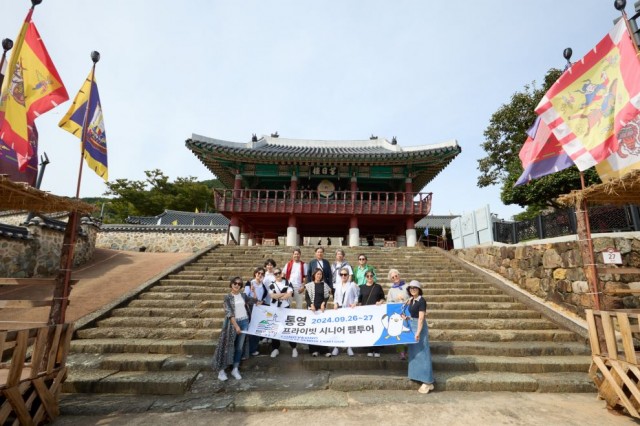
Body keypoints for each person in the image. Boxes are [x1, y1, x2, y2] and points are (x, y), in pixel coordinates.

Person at [213, 276, 260, 381]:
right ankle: (221, 370)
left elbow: (255, 301)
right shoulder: (227, 297)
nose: (237, 285)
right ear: (231, 284)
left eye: (239, 284)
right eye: (235, 283)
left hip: (244, 322)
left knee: (239, 347)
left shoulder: (243, 296)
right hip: (232, 324)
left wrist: (254, 292)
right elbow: (229, 312)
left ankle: (235, 368)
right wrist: (236, 326)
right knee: (227, 346)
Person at [401, 280, 435, 394]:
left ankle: (427, 381)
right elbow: (412, 315)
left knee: (423, 353)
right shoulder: (412, 300)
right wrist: (406, 318)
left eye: (415, 288)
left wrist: (418, 332)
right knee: (415, 353)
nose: (412, 290)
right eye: (411, 288)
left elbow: (421, 318)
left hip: (419, 329)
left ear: (419, 289)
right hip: (412, 326)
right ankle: (418, 376)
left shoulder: (422, 301)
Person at [268, 267, 299, 358]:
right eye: (275, 273)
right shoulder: (271, 284)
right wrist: (282, 294)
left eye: (279, 273)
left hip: (285, 307)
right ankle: (275, 349)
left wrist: (279, 296)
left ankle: (294, 348)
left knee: (288, 327)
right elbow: (272, 295)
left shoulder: (287, 282)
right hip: (274, 308)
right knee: (275, 327)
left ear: (282, 273)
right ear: (274, 275)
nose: (277, 275)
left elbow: (289, 294)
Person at [332, 267, 359, 357]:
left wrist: (355, 303)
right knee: (338, 328)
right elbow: (335, 297)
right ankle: (336, 346)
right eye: (341, 274)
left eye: (345, 274)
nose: (343, 276)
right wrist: (335, 303)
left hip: (348, 309)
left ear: (348, 275)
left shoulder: (352, 285)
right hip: (339, 309)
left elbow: (356, 296)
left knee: (348, 328)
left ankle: (349, 346)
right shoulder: (337, 285)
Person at [305, 267, 332, 357]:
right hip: (312, 310)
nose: (319, 276)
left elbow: (327, 296)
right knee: (313, 330)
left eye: (320, 274)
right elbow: (307, 297)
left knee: (322, 330)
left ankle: (324, 350)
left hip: (321, 310)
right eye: (317, 274)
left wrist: (324, 303)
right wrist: (310, 304)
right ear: (314, 275)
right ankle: (314, 350)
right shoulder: (309, 285)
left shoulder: (324, 285)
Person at [357, 270, 385, 357]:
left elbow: (383, 298)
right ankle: (369, 348)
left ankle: (377, 349)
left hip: (376, 312)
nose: (369, 277)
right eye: (368, 276)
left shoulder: (378, 287)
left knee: (376, 330)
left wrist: (380, 302)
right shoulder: (361, 287)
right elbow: (359, 301)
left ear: (373, 277)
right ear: (365, 277)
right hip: (366, 313)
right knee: (368, 330)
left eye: (371, 276)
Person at [245, 267, 270, 356]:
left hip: (259, 309)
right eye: (258, 273)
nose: (260, 275)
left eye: (262, 274)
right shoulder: (249, 283)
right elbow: (245, 297)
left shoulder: (263, 285)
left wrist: (261, 301)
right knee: (250, 329)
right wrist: (255, 301)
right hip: (250, 308)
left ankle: (253, 349)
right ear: (255, 273)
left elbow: (263, 297)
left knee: (257, 328)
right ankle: (247, 350)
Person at [386, 268, 409, 360]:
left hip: (408, 311)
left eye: (396, 276)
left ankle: (409, 349)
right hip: (398, 314)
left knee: (408, 331)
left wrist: (405, 300)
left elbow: (413, 296)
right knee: (399, 332)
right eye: (393, 277)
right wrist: (396, 301)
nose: (395, 278)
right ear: (391, 279)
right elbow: (389, 302)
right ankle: (401, 352)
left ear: (399, 275)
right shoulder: (391, 290)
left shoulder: (407, 286)